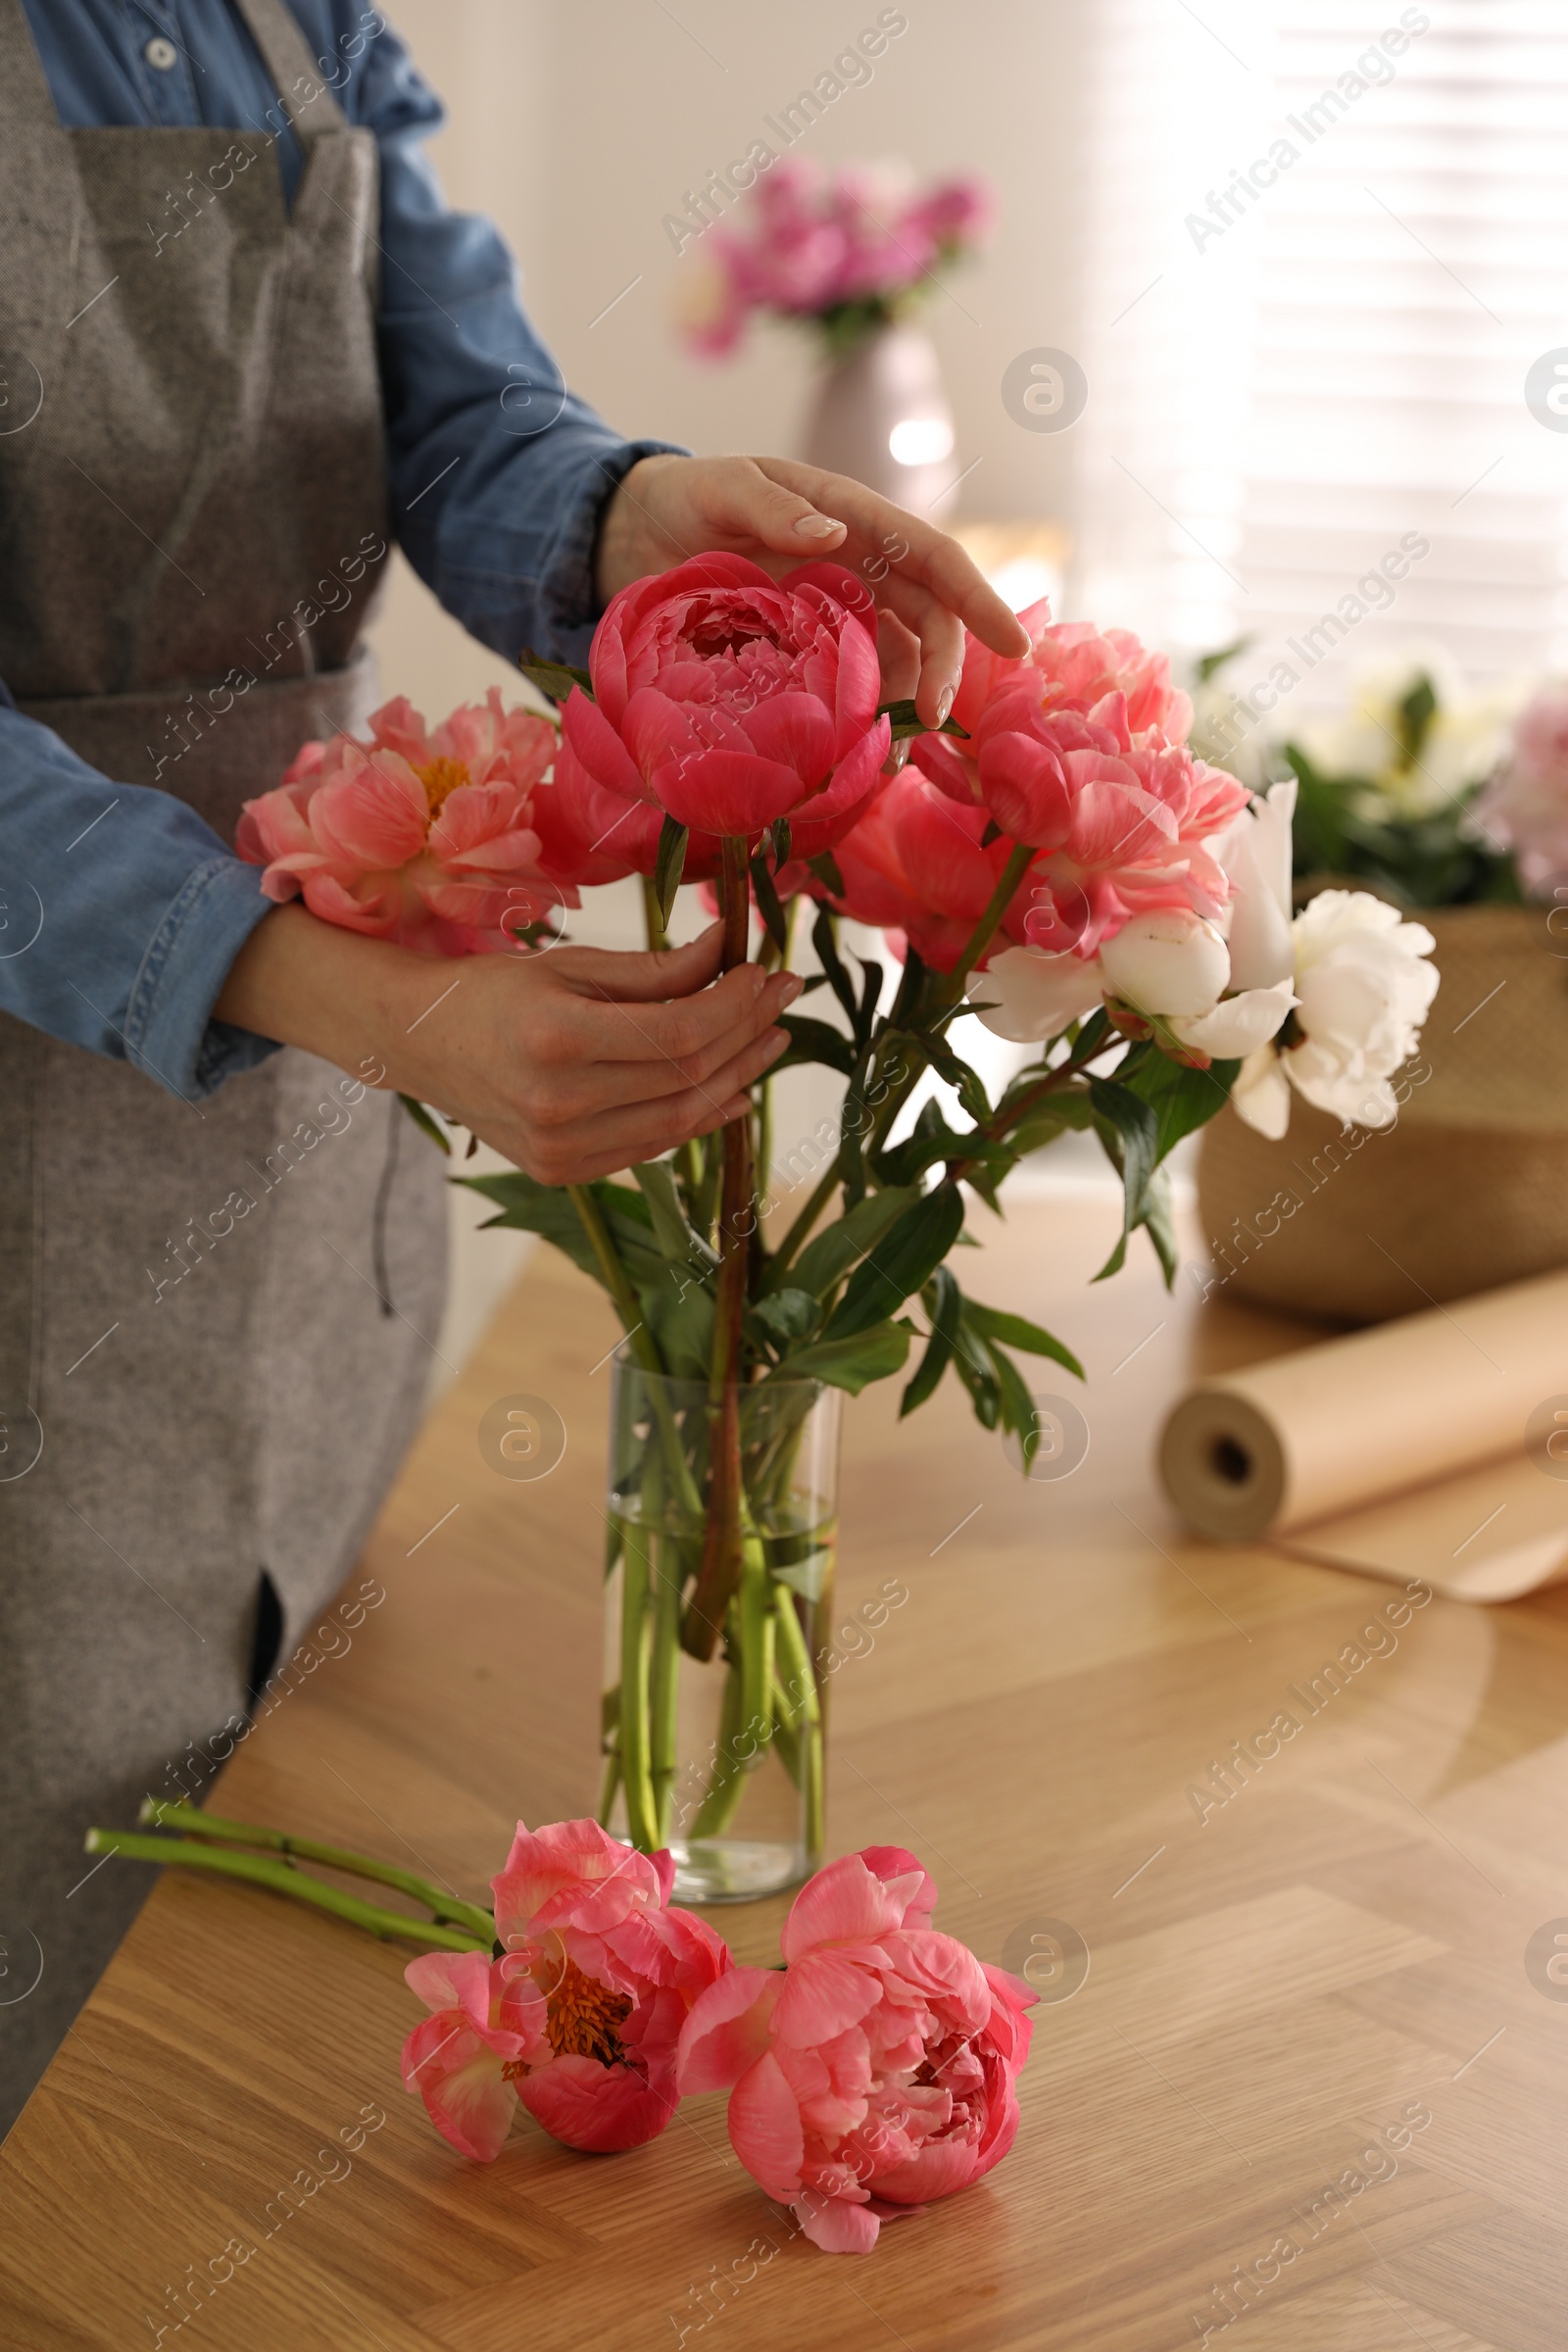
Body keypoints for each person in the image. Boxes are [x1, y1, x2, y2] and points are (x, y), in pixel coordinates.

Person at [0, 0, 1027, 2133]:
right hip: (176, 1074)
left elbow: (452, 423)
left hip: (308, 1160)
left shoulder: (289, 23)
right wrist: (359, 997)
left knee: (259, 1979)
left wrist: (631, 507)